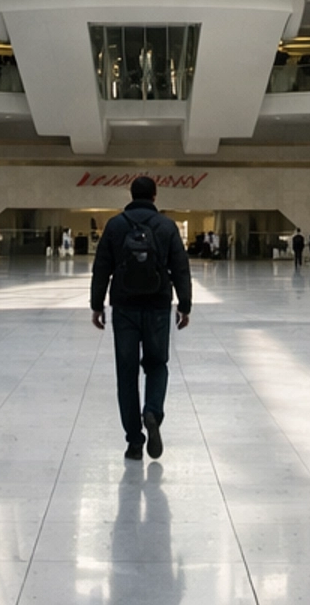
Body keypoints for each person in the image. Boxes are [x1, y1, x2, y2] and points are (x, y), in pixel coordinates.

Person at [90, 176, 192, 461]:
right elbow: (181, 268)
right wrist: (185, 305)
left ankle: (135, 442)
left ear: (131, 194)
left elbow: (102, 268)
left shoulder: (115, 225)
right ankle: (152, 412)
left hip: (124, 307)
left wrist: (96, 305)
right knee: (157, 365)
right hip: (158, 305)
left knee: (126, 373)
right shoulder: (167, 226)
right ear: (155, 196)